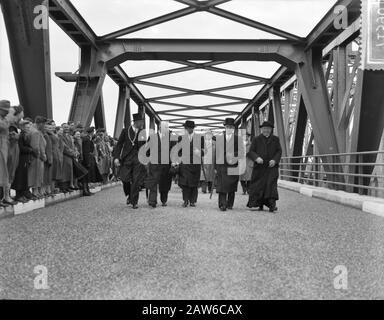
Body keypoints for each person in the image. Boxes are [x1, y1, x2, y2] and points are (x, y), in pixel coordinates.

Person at [247, 121, 282, 213]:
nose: (266, 130)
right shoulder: (256, 139)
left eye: (268, 129)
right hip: (260, 167)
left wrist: (275, 160)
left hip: (271, 167)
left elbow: (279, 151)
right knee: (259, 186)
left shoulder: (276, 139)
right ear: (261, 129)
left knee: (271, 185)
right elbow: (250, 152)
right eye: (264, 128)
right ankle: (260, 205)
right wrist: (257, 158)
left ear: (271, 130)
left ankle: (272, 205)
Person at [113, 113, 147, 209]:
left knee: (136, 180)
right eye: (141, 122)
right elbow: (119, 144)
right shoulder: (125, 131)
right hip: (127, 158)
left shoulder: (142, 132)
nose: (142, 123)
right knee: (125, 179)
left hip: (137, 159)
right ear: (136, 122)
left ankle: (134, 201)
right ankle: (129, 194)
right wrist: (116, 157)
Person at [214, 118, 243, 212]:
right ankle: (222, 204)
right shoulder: (219, 139)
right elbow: (216, 153)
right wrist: (215, 167)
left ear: (233, 128)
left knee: (231, 185)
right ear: (225, 128)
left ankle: (230, 203)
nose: (229, 128)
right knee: (222, 185)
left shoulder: (238, 139)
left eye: (231, 127)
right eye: (227, 127)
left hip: (233, 165)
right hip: (221, 165)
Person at [146, 121, 174, 208]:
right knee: (153, 182)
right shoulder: (152, 137)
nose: (167, 129)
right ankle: (152, 201)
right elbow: (147, 150)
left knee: (165, 182)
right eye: (166, 128)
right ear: (160, 128)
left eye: (167, 127)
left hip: (166, 164)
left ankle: (163, 200)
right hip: (154, 163)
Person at [177, 120, 204, 208]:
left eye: (190, 128)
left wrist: (199, 152)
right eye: (187, 128)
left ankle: (192, 201)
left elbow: (205, 151)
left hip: (195, 164)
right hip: (185, 164)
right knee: (185, 183)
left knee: (194, 183)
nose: (188, 129)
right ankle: (185, 200)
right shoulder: (181, 138)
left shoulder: (200, 138)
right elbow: (179, 151)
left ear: (193, 128)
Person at [12, 119, 34, 203]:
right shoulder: (21, 136)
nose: (29, 128)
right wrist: (30, 149)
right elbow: (21, 148)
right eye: (27, 127)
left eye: (29, 127)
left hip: (25, 158)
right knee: (20, 177)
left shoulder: (25, 135)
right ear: (22, 127)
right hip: (21, 159)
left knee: (24, 176)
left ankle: (23, 193)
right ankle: (19, 195)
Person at [28, 116, 47, 199]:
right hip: (37, 157)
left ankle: (36, 191)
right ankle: (35, 192)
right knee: (36, 174)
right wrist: (42, 156)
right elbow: (36, 147)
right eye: (44, 124)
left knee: (36, 174)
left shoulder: (32, 130)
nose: (45, 126)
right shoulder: (35, 132)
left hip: (35, 156)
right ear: (40, 124)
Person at [82, 127, 102, 196]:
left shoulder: (88, 139)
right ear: (91, 132)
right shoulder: (87, 139)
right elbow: (86, 151)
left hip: (88, 158)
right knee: (86, 176)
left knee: (87, 176)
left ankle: (87, 190)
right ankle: (85, 191)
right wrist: (88, 162)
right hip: (87, 159)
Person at [0, 100, 12, 207]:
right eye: (5, 111)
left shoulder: (4, 119)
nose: (7, 113)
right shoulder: (3, 120)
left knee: (3, 174)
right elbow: (3, 126)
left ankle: (2, 198)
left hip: (4, 149)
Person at [201, 130, 215, 194]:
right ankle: (204, 189)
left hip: (212, 161)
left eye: (210, 134)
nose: (208, 136)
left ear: (212, 135)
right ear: (205, 135)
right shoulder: (202, 143)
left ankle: (210, 189)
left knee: (211, 176)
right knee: (204, 175)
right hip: (204, 161)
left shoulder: (215, 143)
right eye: (207, 134)